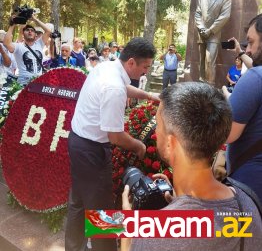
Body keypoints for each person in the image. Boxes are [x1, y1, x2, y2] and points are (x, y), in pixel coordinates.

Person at [122, 82, 262, 251]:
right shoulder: (248, 200)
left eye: (158, 125)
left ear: (170, 143)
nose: (155, 132)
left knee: (102, 222)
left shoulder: (156, 237)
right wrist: (178, 202)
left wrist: (127, 234)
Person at [65, 37, 159, 251]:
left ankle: (73, 247)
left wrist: (149, 96)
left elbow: (124, 88)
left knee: (78, 202)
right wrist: (139, 146)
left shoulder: (108, 67)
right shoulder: (114, 87)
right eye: (145, 67)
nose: (145, 72)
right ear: (132, 62)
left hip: (78, 141)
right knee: (102, 211)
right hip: (92, 151)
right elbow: (115, 136)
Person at [226, 14, 262, 204]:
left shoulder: (255, 78)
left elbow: (227, 133)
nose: (248, 50)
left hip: (250, 188)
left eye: (251, 42)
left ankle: (122, 228)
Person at [195, 0, 232, 85]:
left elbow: (225, 16)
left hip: (214, 35)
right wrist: (201, 28)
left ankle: (210, 86)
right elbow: (197, 14)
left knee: (210, 61)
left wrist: (210, 30)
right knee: (202, 62)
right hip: (201, 34)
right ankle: (201, 84)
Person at [4, 14, 51, 85]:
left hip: (39, 83)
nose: (30, 31)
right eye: (27, 30)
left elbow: (48, 31)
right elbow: (6, 43)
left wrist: (35, 19)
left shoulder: (39, 44)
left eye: (32, 30)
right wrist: (12, 24)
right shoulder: (19, 46)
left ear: (35, 35)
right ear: (23, 34)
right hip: (23, 84)